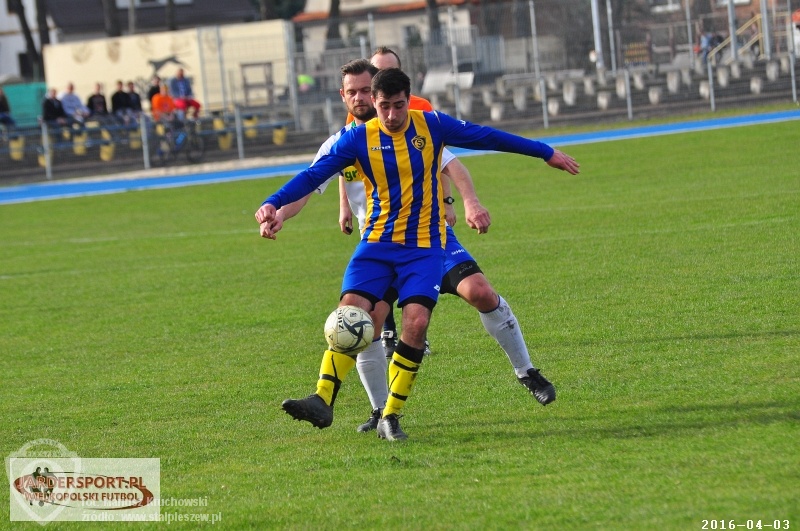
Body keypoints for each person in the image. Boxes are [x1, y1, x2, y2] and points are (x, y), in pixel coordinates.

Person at [255, 65, 579, 441]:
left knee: (416, 322)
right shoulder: (355, 139)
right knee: (352, 313)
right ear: (371, 102)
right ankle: (323, 398)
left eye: (398, 105)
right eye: (384, 107)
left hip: (424, 245)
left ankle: (391, 415)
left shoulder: (431, 126)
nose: (392, 115)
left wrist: (544, 152)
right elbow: (313, 176)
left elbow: (486, 136)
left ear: (408, 100)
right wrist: (273, 202)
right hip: (377, 244)